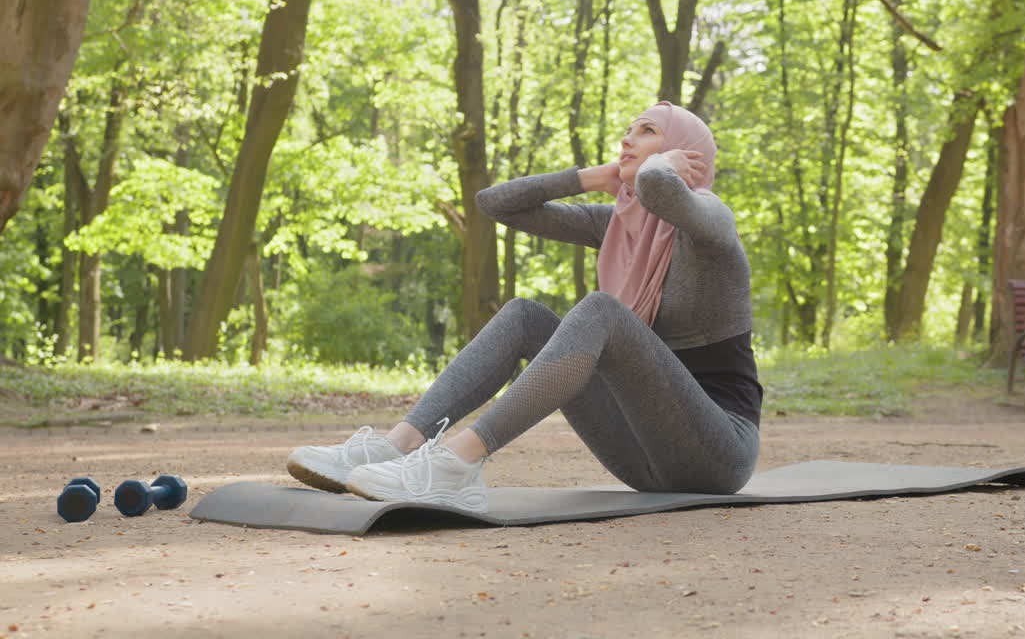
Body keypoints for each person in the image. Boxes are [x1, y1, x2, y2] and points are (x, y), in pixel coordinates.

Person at [286, 102, 762, 511]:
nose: (626, 138)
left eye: (648, 130)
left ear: (686, 153)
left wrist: (661, 167)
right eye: (628, 129)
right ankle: (395, 446)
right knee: (524, 316)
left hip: (717, 453)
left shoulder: (712, 225)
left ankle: (456, 465)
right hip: (642, 458)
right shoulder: (619, 228)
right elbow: (496, 204)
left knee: (600, 310)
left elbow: (660, 188)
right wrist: (586, 178)